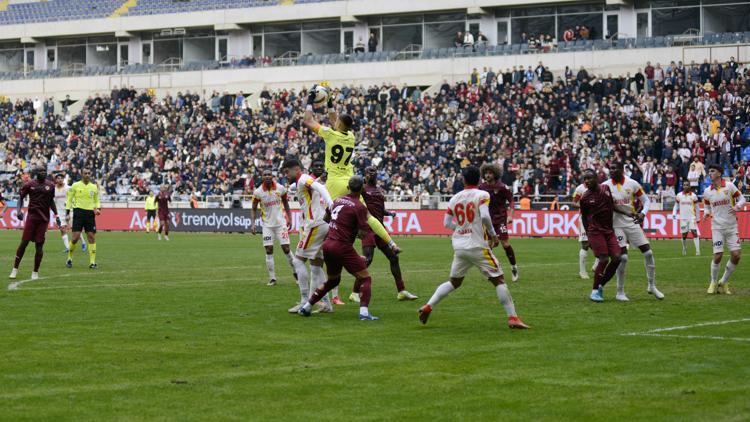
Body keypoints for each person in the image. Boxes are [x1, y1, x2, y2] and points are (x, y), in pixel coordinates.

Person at [418, 166, 530, 330]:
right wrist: (492, 235)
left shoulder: (454, 198)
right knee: (498, 280)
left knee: (454, 282)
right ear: (479, 179)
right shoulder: (482, 194)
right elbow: (484, 215)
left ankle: (428, 306)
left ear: (463, 180)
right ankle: (513, 318)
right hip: (477, 245)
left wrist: (462, 228)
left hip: (460, 247)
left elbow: (447, 223)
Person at [302, 86, 400, 255]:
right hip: (351, 180)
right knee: (367, 215)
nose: (335, 121)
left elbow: (308, 120)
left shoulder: (330, 135)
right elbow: (336, 120)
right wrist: (330, 101)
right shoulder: (350, 136)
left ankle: (335, 249)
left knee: (333, 219)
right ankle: (391, 243)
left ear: (339, 124)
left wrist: (310, 100)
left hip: (334, 181)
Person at [298, 175, 380, 321]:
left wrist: (340, 226)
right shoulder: (359, 207)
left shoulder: (337, 201)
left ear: (348, 187)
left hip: (328, 245)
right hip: (342, 246)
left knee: (333, 281)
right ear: (362, 189)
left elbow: (326, 219)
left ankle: (307, 307)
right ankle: (364, 313)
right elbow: (362, 233)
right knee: (365, 278)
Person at [602, 163, 664, 301]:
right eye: (610, 168)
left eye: (614, 168)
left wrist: (643, 213)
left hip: (632, 222)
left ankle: (651, 286)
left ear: (622, 170)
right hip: (616, 225)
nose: (612, 170)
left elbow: (646, 200)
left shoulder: (632, 183)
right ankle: (620, 292)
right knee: (623, 258)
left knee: (648, 253)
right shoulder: (605, 185)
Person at [355, 166, 418, 302]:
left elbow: (380, 210)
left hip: (380, 229)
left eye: (374, 172)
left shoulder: (378, 191)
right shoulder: (362, 189)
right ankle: (354, 292)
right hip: (368, 228)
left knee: (394, 258)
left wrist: (389, 213)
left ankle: (401, 291)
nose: (372, 174)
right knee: (368, 259)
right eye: (369, 172)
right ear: (365, 175)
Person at [281, 158, 334, 314]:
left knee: (297, 261)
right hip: (320, 224)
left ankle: (305, 301)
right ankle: (326, 304)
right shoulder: (300, 181)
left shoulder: (304, 178)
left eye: (286, 171)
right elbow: (311, 184)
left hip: (315, 225)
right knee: (316, 266)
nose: (285, 175)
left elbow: (319, 187)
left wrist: (331, 204)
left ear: (296, 169)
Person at [9, 166, 61, 280]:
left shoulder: (51, 186)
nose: (43, 173)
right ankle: (15, 269)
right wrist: (18, 211)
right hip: (32, 218)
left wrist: (56, 215)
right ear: (36, 173)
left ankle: (35, 272)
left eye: (44, 171)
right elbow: (20, 198)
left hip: (43, 219)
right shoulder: (29, 184)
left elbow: (51, 201)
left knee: (39, 245)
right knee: (24, 243)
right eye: (41, 171)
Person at [579, 170, 622, 302]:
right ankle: (594, 291)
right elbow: (584, 218)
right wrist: (588, 235)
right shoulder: (585, 198)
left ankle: (600, 285)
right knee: (603, 259)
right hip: (595, 231)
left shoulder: (606, 188)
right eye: (584, 179)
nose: (586, 181)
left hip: (609, 231)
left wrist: (628, 213)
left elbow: (612, 206)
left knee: (617, 258)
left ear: (596, 178)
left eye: (589, 178)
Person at [704, 164, 745, 294]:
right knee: (718, 256)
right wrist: (706, 212)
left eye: (712, 171)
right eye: (709, 171)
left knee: (736, 255)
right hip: (717, 227)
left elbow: (742, 198)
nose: (710, 173)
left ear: (719, 173)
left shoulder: (729, 186)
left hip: (732, 226)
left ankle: (724, 281)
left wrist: (737, 206)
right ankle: (713, 282)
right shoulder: (707, 191)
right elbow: (706, 206)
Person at [251, 169, 296, 286]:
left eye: (269, 174)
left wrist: (289, 218)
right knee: (269, 250)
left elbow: (286, 203)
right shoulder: (258, 192)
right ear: (262, 177)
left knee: (286, 249)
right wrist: (253, 223)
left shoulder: (280, 188)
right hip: (267, 226)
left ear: (272, 176)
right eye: (265, 175)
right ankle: (272, 278)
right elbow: (254, 208)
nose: (267, 176)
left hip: (280, 224)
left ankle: (296, 274)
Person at [478, 163, 519, 281]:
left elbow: (511, 201)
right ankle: (492, 270)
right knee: (488, 246)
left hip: (500, 219)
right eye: (486, 173)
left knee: (505, 244)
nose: (487, 175)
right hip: (487, 221)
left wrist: (510, 215)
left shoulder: (502, 187)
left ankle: (514, 267)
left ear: (495, 174)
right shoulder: (482, 187)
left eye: (490, 173)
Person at [65, 168, 100, 269]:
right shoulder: (75, 185)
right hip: (78, 212)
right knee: (75, 237)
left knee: (91, 237)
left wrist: (98, 208)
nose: (87, 175)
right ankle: (69, 258)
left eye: (89, 173)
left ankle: (92, 262)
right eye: (85, 173)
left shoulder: (93, 187)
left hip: (89, 213)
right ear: (81, 174)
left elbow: (97, 199)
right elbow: (69, 199)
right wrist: (67, 212)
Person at [54, 173, 85, 253]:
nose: (59, 179)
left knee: (74, 229)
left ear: (63, 179)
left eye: (61, 178)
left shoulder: (68, 188)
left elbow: (75, 196)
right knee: (62, 229)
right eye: (58, 178)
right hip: (59, 212)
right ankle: (68, 247)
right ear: (56, 180)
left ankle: (83, 242)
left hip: (69, 211)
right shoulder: (54, 189)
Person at [572, 181, 598, 279]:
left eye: (590, 177)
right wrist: (582, 206)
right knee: (585, 244)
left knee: (598, 243)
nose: (588, 180)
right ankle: (582, 271)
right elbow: (573, 203)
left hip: (596, 219)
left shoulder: (599, 188)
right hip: (584, 219)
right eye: (586, 178)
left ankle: (596, 266)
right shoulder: (580, 189)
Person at [672, 183, 701, 256]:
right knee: (684, 235)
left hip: (692, 218)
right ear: (683, 186)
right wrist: (674, 213)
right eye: (684, 185)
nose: (685, 186)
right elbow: (676, 206)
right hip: (683, 218)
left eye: (687, 185)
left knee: (694, 232)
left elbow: (697, 208)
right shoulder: (679, 195)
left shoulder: (694, 196)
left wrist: (698, 218)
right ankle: (684, 248)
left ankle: (698, 251)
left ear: (689, 186)